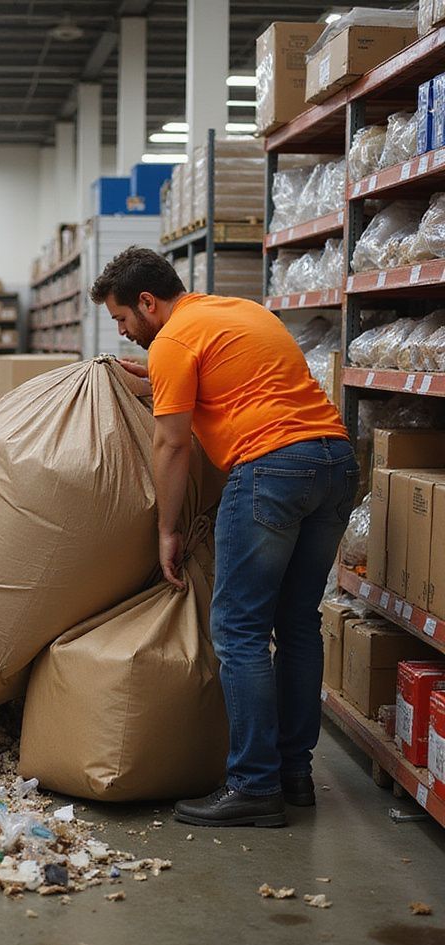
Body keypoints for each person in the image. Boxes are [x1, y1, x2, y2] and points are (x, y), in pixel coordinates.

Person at [90, 246, 358, 828]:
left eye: (122, 319)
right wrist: (155, 383)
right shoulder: (240, 312)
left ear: (147, 302)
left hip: (271, 472)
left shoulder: (172, 341)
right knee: (297, 624)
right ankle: (293, 774)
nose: (124, 332)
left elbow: (173, 444)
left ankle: (254, 786)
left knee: (238, 630)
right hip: (335, 463)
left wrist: (168, 529)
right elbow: (238, 388)